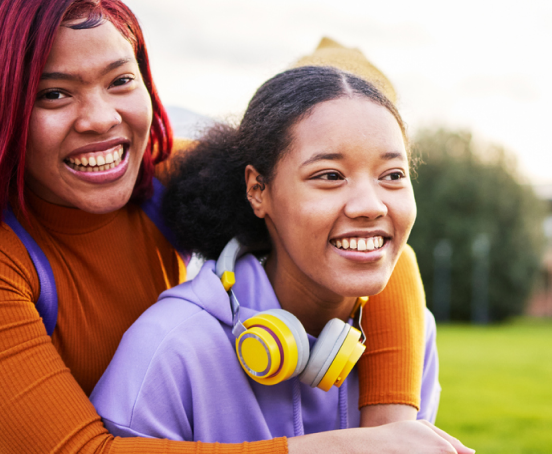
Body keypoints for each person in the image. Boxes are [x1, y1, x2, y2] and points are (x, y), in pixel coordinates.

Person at [0, 0, 470, 454]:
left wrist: (390, 424)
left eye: (120, 81)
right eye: (55, 93)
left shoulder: (165, 176)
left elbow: (365, 234)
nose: (100, 119)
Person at [91, 65, 444, 441]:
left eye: (392, 175)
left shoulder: (415, 335)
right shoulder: (170, 349)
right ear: (258, 190)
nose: (370, 206)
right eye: (329, 175)